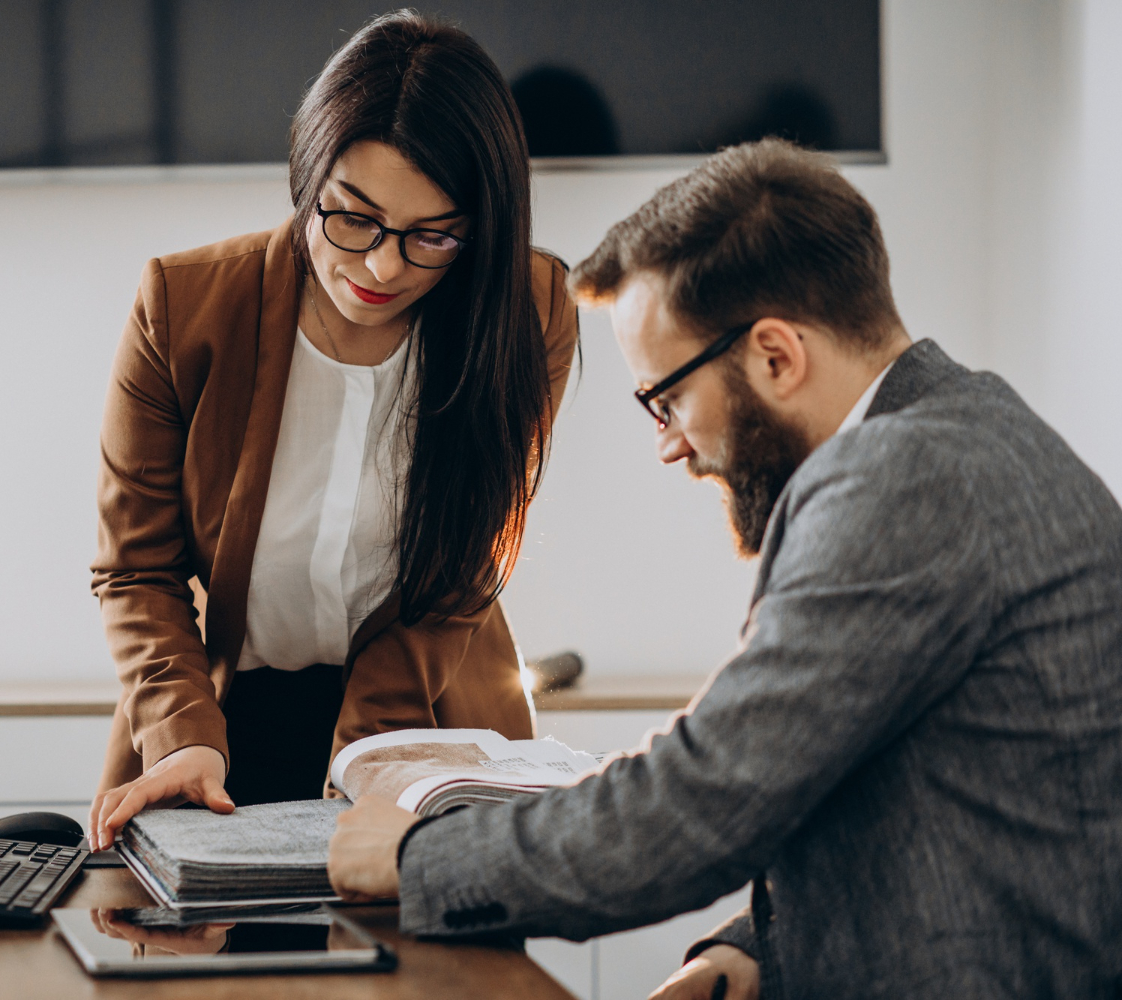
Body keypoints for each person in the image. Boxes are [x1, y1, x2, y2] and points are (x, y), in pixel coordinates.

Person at [327, 138, 1122, 999]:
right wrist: (749, 951)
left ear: (776, 355)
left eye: (664, 399)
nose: (668, 444)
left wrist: (418, 856)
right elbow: (892, 792)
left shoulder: (904, 479)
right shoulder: (969, 432)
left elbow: (706, 797)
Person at [87, 12, 579, 852]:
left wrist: (372, 751)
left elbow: (470, 561)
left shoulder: (526, 311)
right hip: (217, 729)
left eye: (433, 235)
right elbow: (137, 568)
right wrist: (180, 731)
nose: (384, 266)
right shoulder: (185, 305)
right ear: (306, 176)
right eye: (353, 218)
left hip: (429, 721)